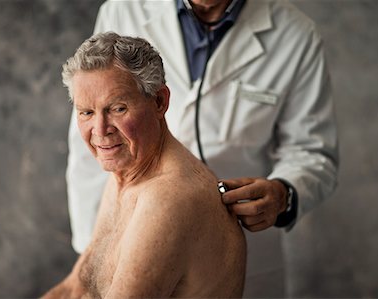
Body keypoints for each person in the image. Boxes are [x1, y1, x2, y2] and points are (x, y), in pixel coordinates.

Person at [67, 0, 338, 296]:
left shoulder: (295, 34)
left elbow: (312, 149)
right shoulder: (124, 10)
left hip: (238, 247)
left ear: (161, 101)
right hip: (134, 235)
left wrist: (283, 193)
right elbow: (92, 140)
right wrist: (96, 261)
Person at [43, 32, 246, 298]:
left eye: (118, 108)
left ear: (160, 101)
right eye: (87, 113)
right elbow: (76, 287)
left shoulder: (168, 200)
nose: (100, 130)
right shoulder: (124, 173)